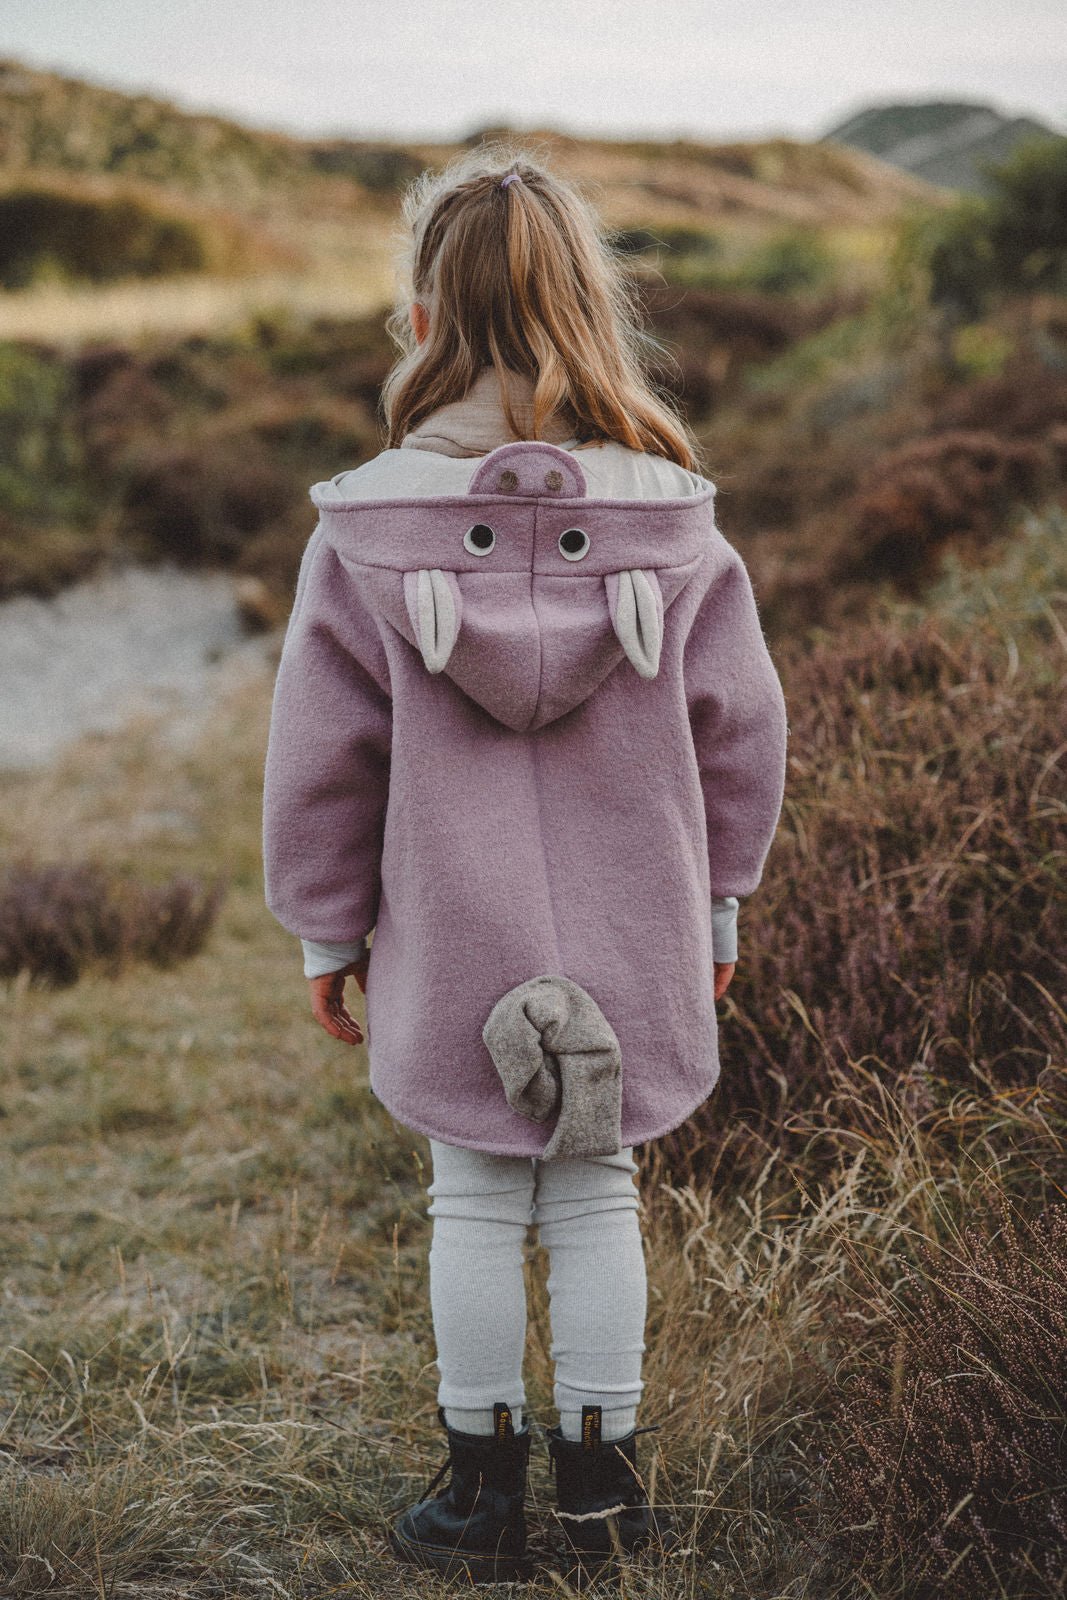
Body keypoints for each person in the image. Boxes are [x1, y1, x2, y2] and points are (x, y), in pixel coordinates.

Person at [261, 142, 789, 1585]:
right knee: (600, 1185)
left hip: (452, 922)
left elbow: (322, 755)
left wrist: (326, 933)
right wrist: (721, 894)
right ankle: (607, 1487)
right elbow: (741, 730)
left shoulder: (367, 526)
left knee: (477, 1196)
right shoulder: (674, 518)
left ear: (420, 324)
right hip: (635, 920)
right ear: (590, 312)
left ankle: (477, 1493)